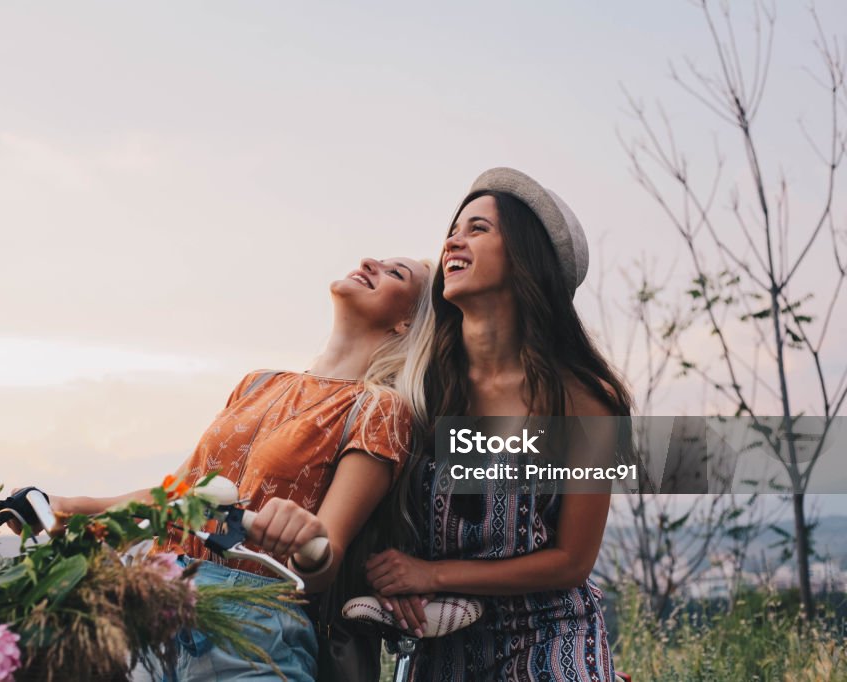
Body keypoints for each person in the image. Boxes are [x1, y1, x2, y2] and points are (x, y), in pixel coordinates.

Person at [34, 254, 431, 681]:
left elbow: (323, 560)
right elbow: (178, 496)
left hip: (254, 629)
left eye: (395, 273)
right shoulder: (257, 383)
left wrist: (304, 538)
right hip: (154, 610)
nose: (371, 262)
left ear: (405, 324)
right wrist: (66, 506)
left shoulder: (380, 409)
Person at [365, 168, 632, 681]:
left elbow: (572, 561)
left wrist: (432, 573)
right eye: (455, 228)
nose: (453, 240)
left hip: (550, 631)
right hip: (442, 641)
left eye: (478, 229)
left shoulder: (582, 399)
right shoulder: (417, 385)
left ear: (525, 260)